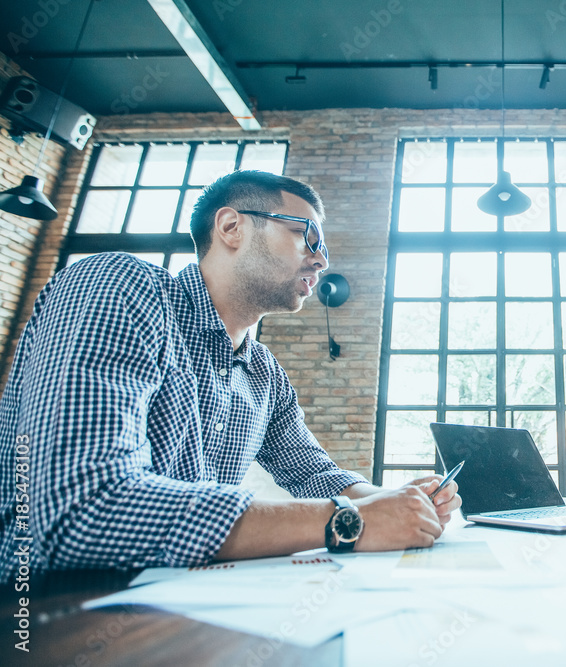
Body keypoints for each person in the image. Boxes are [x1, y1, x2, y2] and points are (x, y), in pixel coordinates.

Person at [0, 170, 460, 580]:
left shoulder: (263, 372)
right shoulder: (118, 286)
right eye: (308, 236)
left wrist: (395, 501)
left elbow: (313, 472)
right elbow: (85, 509)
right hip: (44, 609)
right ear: (231, 227)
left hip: (175, 601)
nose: (321, 261)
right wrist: (351, 519)